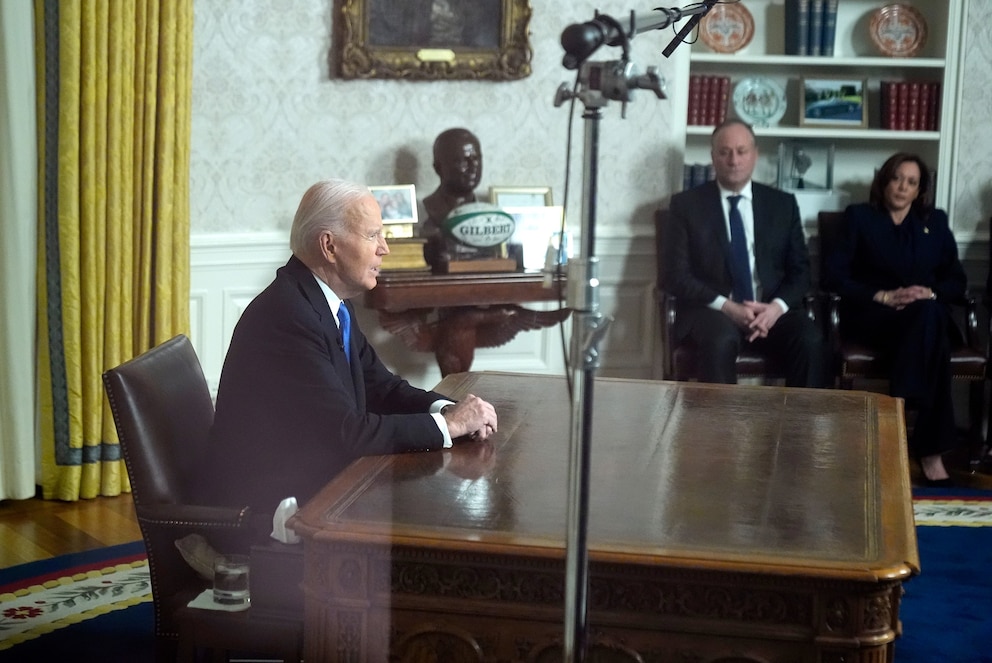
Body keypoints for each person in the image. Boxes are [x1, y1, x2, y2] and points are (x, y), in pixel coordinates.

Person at [206, 179, 499, 523]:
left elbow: (382, 388)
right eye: (372, 235)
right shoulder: (289, 316)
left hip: (321, 482)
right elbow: (348, 433)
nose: (384, 248)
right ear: (329, 246)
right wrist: (448, 427)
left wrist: (450, 410)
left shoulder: (329, 303)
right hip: (267, 513)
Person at [823, 153, 966, 486]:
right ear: (884, 181)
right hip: (875, 318)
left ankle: (897, 434)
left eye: (911, 182)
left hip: (924, 317)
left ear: (920, 191)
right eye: (897, 178)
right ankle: (930, 454)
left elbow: (956, 281)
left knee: (928, 315)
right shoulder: (859, 217)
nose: (903, 187)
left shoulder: (936, 222)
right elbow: (834, 276)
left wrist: (928, 293)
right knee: (932, 335)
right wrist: (881, 295)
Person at [661, 119, 826, 388]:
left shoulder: (782, 204)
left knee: (810, 339)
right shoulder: (686, 206)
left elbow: (801, 271)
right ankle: (722, 428)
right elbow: (674, 275)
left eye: (741, 151)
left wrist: (775, 309)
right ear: (713, 157)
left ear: (755, 155)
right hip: (713, 310)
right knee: (719, 340)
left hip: (770, 309)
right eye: (724, 152)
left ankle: (801, 427)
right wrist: (728, 307)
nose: (733, 160)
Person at [421, 127, 490, 268]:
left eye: (476, 158)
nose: (473, 167)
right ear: (438, 168)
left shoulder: (491, 217)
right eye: (462, 161)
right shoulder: (427, 211)